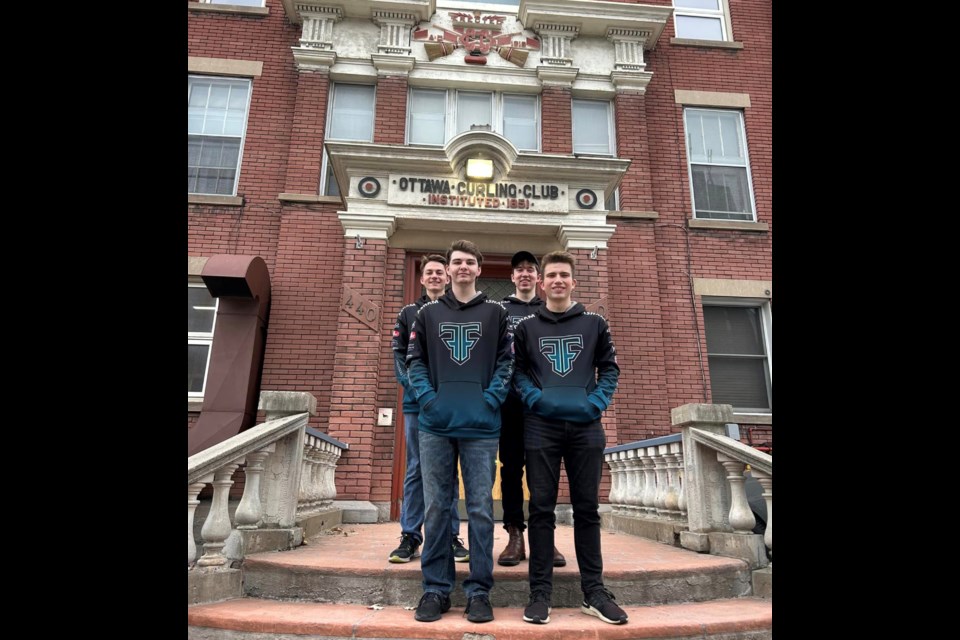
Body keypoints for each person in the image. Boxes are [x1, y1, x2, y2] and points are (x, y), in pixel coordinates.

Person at [511, 251, 627, 626]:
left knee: (587, 510)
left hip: (585, 427)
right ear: (541, 283)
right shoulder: (526, 327)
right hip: (540, 427)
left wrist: (595, 403)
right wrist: (536, 400)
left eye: (564, 275)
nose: (558, 280)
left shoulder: (595, 323)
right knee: (541, 510)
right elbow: (518, 373)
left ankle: (594, 592)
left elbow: (609, 368)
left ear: (573, 282)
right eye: (552, 275)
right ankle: (539, 594)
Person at [406, 239, 513, 624]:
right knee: (437, 508)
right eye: (457, 262)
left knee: (482, 510)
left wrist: (490, 399)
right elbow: (414, 363)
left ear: (479, 269)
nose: (463, 267)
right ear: (447, 269)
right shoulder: (429, 315)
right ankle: (435, 590)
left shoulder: (496, 313)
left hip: (482, 427)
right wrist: (429, 400)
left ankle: (479, 591)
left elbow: (507, 363)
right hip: (435, 425)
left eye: (470, 262)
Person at [389, 254, 469, 564]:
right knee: (416, 469)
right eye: (429, 272)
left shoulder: (458, 312)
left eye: (439, 272)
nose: (435, 276)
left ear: (448, 277)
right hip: (417, 406)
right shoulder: (408, 313)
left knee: (447, 471)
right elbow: (399, 358)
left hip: (452, 405)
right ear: (422, 279)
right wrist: (421, 393)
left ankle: (450, 537)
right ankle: (410, 536)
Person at [497, 251, 566, 569]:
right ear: (512, 277)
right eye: (519, 270)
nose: (524, 274)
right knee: (511, 469)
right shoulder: (499, 310)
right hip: (509, 403)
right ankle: (514, 533)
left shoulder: (548, 309)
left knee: (544, 471)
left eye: (530, 270)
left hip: (542, 403)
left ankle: (545, 537)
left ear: (538, 278)